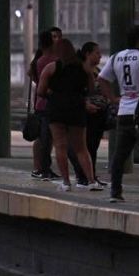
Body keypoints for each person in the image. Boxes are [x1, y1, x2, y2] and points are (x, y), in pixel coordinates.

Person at [101, 25, 139, 203]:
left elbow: (102, 79)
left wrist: (113, 98)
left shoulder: (116, 57)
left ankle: (115, 191)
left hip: (123, 111)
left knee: (120, 154)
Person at [40, 39, 101, 192]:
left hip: (56, 109)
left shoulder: (51, 68)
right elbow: (92, 89)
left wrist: (53, 94)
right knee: (81, 148)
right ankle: (91, 181)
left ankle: (66, 183)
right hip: (77, 109)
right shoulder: (84, 68)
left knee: (60, 146)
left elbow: (40, 91)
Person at [29, 29, 62, 181]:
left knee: (46, 138)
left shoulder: (41, 60)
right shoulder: (49, 60)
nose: (57, 40)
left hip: (43, 103)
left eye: (59, 37)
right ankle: (43, 168)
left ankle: (42, 168)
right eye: (54, 37)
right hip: (47, 104)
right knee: (46, 139)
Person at [77, 42, 108, 187]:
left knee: (93, 146)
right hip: (87, 113)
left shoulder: (97, 70)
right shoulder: (81, 70)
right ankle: (84, 176)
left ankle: (91, 175)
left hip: (98, 113)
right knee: (87, 146)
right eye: (97, 53)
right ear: (87, 54)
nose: (100, 56)